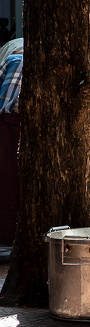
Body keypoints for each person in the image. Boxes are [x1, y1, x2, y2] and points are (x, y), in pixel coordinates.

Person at [0, 38, 23, 247]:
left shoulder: (13, 59)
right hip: (12, 125)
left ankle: (8, 236)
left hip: (10, 125)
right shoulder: (18, 60)